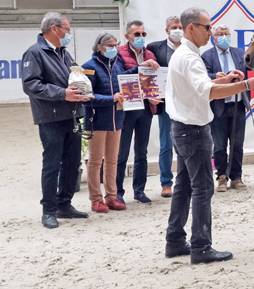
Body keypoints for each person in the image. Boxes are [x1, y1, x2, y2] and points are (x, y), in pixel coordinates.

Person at [164, 7, 254, 263]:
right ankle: (201, 246)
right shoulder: (189, 57)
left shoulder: (184, 54)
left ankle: (175, 239)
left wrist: (224, 80)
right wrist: (245, 84)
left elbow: (203, 86)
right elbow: (207, 92)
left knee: (185, 186)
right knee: (202, 188)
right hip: (193, 130)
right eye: (207, 27)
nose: (211, 33)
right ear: (191, 28)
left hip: (182, 128)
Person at [21, 12, 89, 229]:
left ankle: (64, 204)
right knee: (52, 165)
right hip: (50, 118)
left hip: (71, 115)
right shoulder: (34, 53)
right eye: (67, 29)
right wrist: (62, 94)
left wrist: (82, 90)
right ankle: (48, 210)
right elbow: (31, 85)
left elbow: (72, 79)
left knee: (72, 162)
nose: (69, 33)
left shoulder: (64, 53)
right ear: (54, 29)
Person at [81, 32, 158, 212]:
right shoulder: (88, 67)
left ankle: (112, 196)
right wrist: (111, 98)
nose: (114, 49)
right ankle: (96, 199)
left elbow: (126, 77)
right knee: (95, 161)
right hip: (97, 120)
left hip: (117, 119)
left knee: (112, 160)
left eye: (115, 45)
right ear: (99, 47)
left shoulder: (117, 64)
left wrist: (141, 66)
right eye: (110, 46)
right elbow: (86, 97)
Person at [116, 20, 161, 204]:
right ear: (127, 36)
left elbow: (154, 79)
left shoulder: (150, 53)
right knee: (122, 152)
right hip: (127, 108)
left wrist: (155, 95)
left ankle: (139, 190)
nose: (141, 37)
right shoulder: (119, 53)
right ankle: (117, 192)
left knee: (141, 151)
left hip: (145, 108)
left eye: (143, 34)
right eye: (137, 34)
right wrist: (141, 67)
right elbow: (120, 77)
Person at [201, 24, 248, 192]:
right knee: (219, 145)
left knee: (237, 144)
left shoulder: (240, 53)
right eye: (219, 34)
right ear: (213, 38)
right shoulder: (207, 55)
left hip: (238, 104)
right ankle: (221, 177)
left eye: (226, 33)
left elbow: (250, 71)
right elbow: (204, 76)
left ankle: (236, 177)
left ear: (230, 35)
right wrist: (218, 76)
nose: (223, 36)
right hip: (218, 106)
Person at [146, 16, 183, 198]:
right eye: (174, 27)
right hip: (165, 103)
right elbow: (147, 72)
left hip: (184, 101)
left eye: (180, 27)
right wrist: (151, 93)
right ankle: (166, 183)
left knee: (185, 142)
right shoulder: (154, 48)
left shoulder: (189, 48)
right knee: (166, 144)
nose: (177, 30)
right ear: (167, 30)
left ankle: (186, 180)